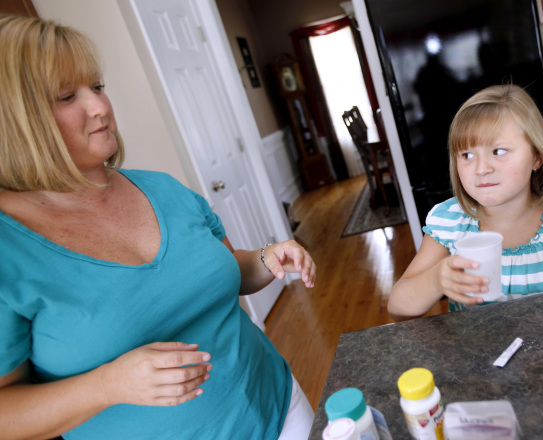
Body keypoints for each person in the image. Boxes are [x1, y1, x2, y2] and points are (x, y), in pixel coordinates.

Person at [0, 15, 316, 440]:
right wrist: (109, 384)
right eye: (66, 95)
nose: (99, 107)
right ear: (16, 121)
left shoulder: (162, 188)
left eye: (97, 86)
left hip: (279, 407)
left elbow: (227, 270)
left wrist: (265, 258)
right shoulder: (9, 249)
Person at [388, 84, 543, 321]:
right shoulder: (450, 224)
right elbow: (398, 309)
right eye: (467, 155)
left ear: (537, 156)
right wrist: (435, 279)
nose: (481, 169)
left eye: (498, 151)